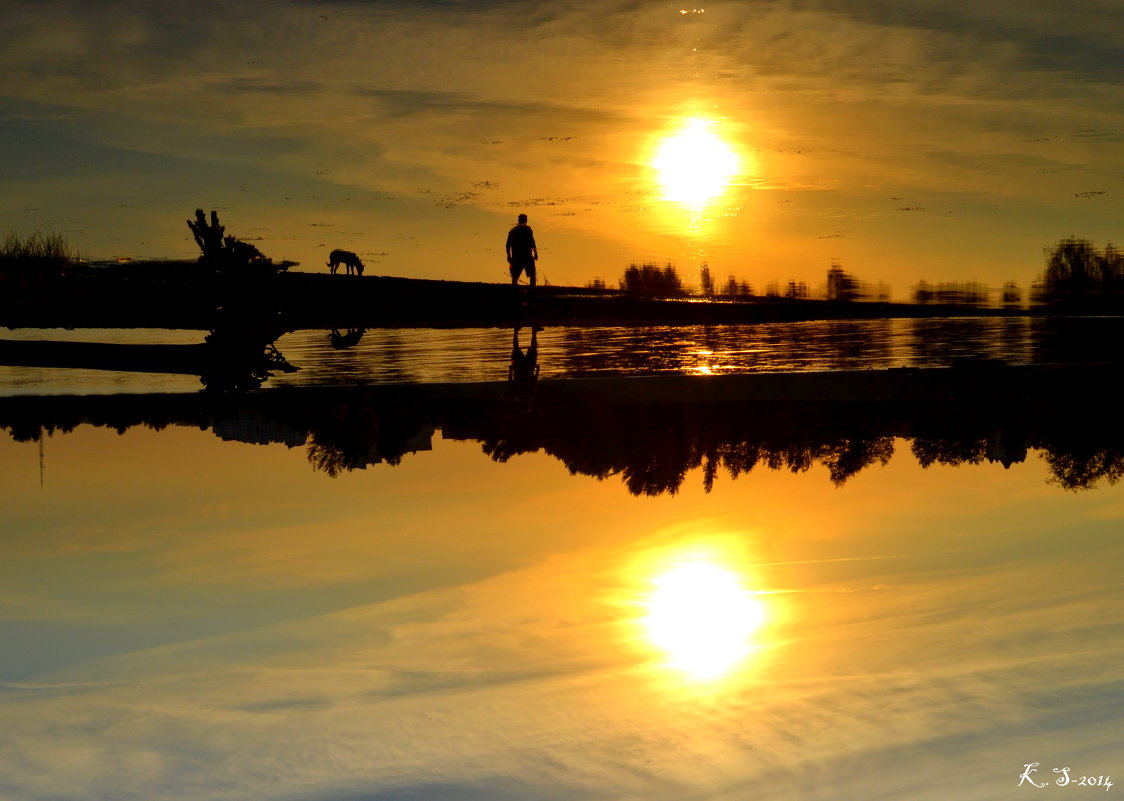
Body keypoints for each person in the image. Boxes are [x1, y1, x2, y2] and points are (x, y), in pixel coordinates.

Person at [505, 213, 538, 288]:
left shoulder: (514, 230)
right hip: (524, 255)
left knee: (516, 275)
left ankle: (517, 287)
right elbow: (532, 242)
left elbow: (507, 245)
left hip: (518, 256)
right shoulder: (527, 230)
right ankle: (532, 288)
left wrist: (508, 255)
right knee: (530, 273)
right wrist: (535, 253)